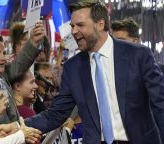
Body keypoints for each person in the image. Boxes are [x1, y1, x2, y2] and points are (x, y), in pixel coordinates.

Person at [25, 1, 164, 144]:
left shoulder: (138, 55)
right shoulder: (72, 68)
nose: (74, 31)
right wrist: (20, 126)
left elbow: (160, 104)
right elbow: (55, 114)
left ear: (100, 24)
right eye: (72, 26)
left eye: (80, 25)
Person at [0, 21, 45, 126]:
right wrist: (20, 133)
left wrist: (33, 41)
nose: (3, 57)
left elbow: (20, 64)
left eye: (3, 53)